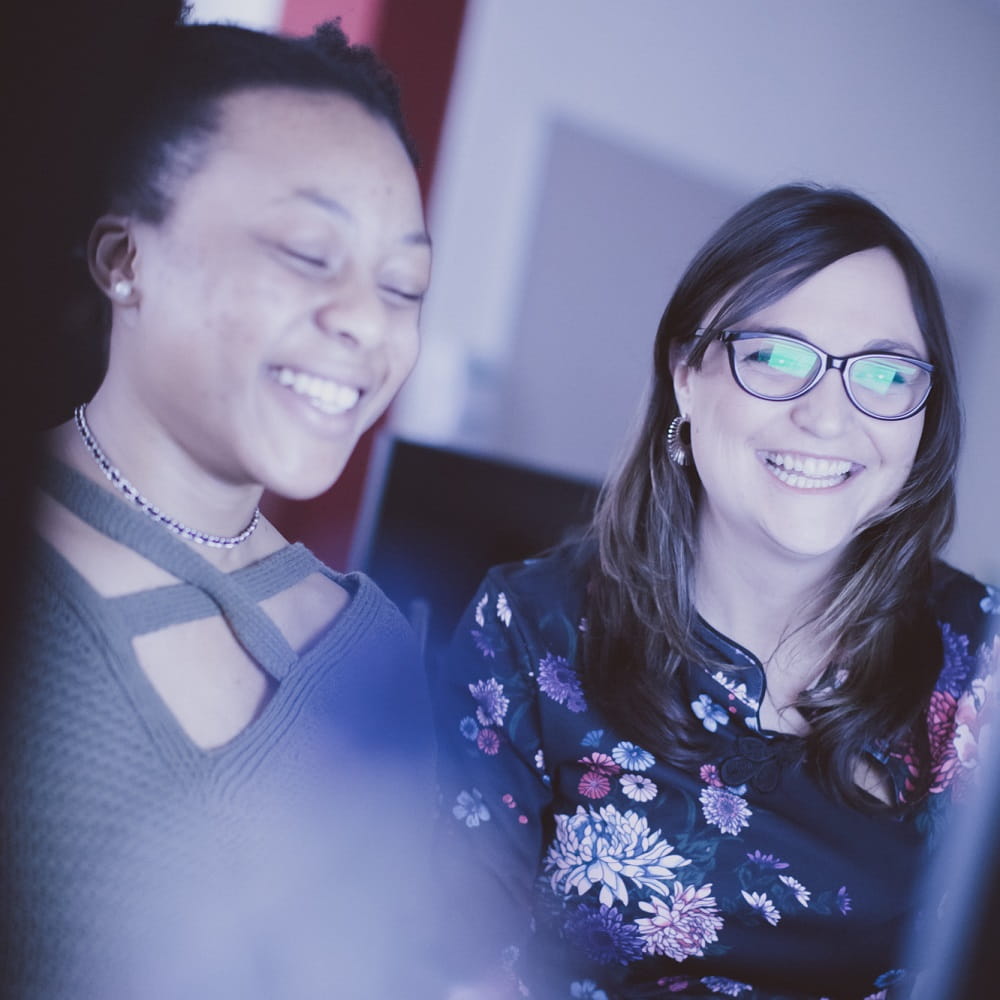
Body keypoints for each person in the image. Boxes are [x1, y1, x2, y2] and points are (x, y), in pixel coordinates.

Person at [432, 184, 999, 999]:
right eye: (775, 356)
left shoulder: (978, 656)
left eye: (883, 372)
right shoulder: (531, 630)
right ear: (687, 376)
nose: (828, 418)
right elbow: (455, 966)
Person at [1, 16, 437, 1000]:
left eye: (404, 283)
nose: (367, 321)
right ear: (123, 258)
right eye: (305, 252)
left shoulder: (376, 646)